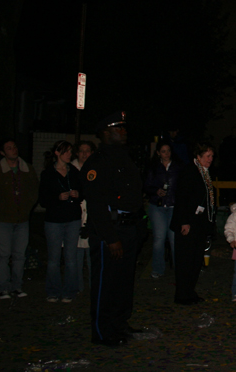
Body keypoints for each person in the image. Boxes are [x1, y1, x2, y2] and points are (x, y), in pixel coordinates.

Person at [80, 111, 144, 346]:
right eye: (119, 128)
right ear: (106, 133)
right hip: (111, 230)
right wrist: (110, 237)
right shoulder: (98, 162)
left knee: (124, 282)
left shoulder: (124, 158)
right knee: (106, 283)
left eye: (124, 127)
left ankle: (119, 324)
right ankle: (101, 331)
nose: (124, 131)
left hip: (129, 227)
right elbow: (96, 205)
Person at [0, 137, 40, 299]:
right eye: (9, 148)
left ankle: (17, 286)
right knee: (3, 255)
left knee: (19, 255)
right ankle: (3, 287)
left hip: (22, 220)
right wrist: (0, 207)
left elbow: (34, 190)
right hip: (3, 220)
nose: (13, 150)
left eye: (14, 147)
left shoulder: (27, 169)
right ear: (2, 152)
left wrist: (27, 207)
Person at [170, 141, 216, 305]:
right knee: (185, 260)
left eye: (212, 156)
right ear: (198, 156)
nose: (210, 159)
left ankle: (190, 291)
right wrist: (184, 222)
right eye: (207, 156)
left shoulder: (205, 173)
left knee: (196, 260)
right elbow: (182, 197)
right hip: (188, 223)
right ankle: (182, 294)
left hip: (200, 224)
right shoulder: (190, 171)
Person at [39, 140, 83, 303]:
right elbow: (43, 199)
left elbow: (83, 191)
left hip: (72, 218)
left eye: (70, 151)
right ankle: (53, 290)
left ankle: (69, 290)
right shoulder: (48, 174)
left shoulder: (74, 171)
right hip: (54, 220)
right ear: (57, 153)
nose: (69, 155)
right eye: (66, 151)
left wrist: (78, 194)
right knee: (54, 258)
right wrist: (57, 197)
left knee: (71, 258)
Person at [143, 141, 183, 278]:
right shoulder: (153, 168)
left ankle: (179, 269)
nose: (167, 154)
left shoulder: (178, 167)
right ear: (158, 153)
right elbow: (147, 186)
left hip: (173, 206)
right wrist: (156, 191)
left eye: (168, 151)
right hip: (157, 206)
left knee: (174, 239)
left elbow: (183, 186)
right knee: (159, 238)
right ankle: (158, 268)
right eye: (164, 151)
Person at [71, 140, 95, 294]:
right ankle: (77, 286)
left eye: (88, 151)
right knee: (76, 255)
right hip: (74, 216)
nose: (85, 154)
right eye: (82, 150)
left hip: (91, 216)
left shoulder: (95, 169)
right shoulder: (71, 169)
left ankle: (94, 287)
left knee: (92, 256)